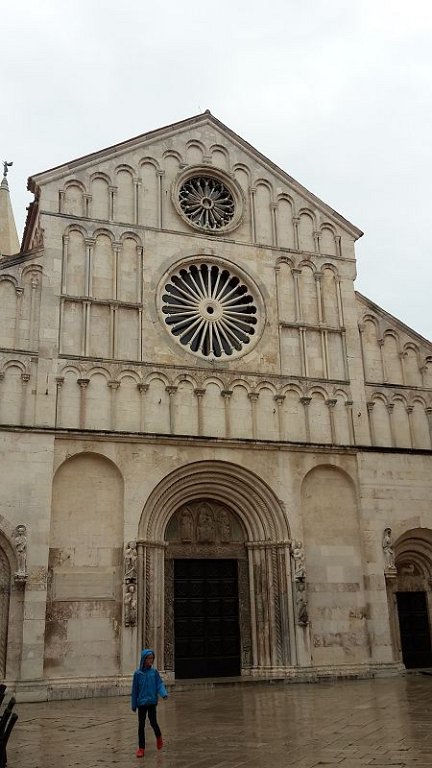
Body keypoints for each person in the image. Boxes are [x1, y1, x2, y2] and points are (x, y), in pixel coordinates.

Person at [131, 649, 168, 758]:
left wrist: (163, 693)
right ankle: (141, 748)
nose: (150, 660)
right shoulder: (137, 674)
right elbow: (135, 690)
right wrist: (134, 704)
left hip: (151, 701)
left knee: (153, 722)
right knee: (141, 725)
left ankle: (159, 737)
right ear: (144, 659)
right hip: (141, 703)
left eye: (152, 658)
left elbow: (159, 685)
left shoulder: (154, 672)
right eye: (148, 658)